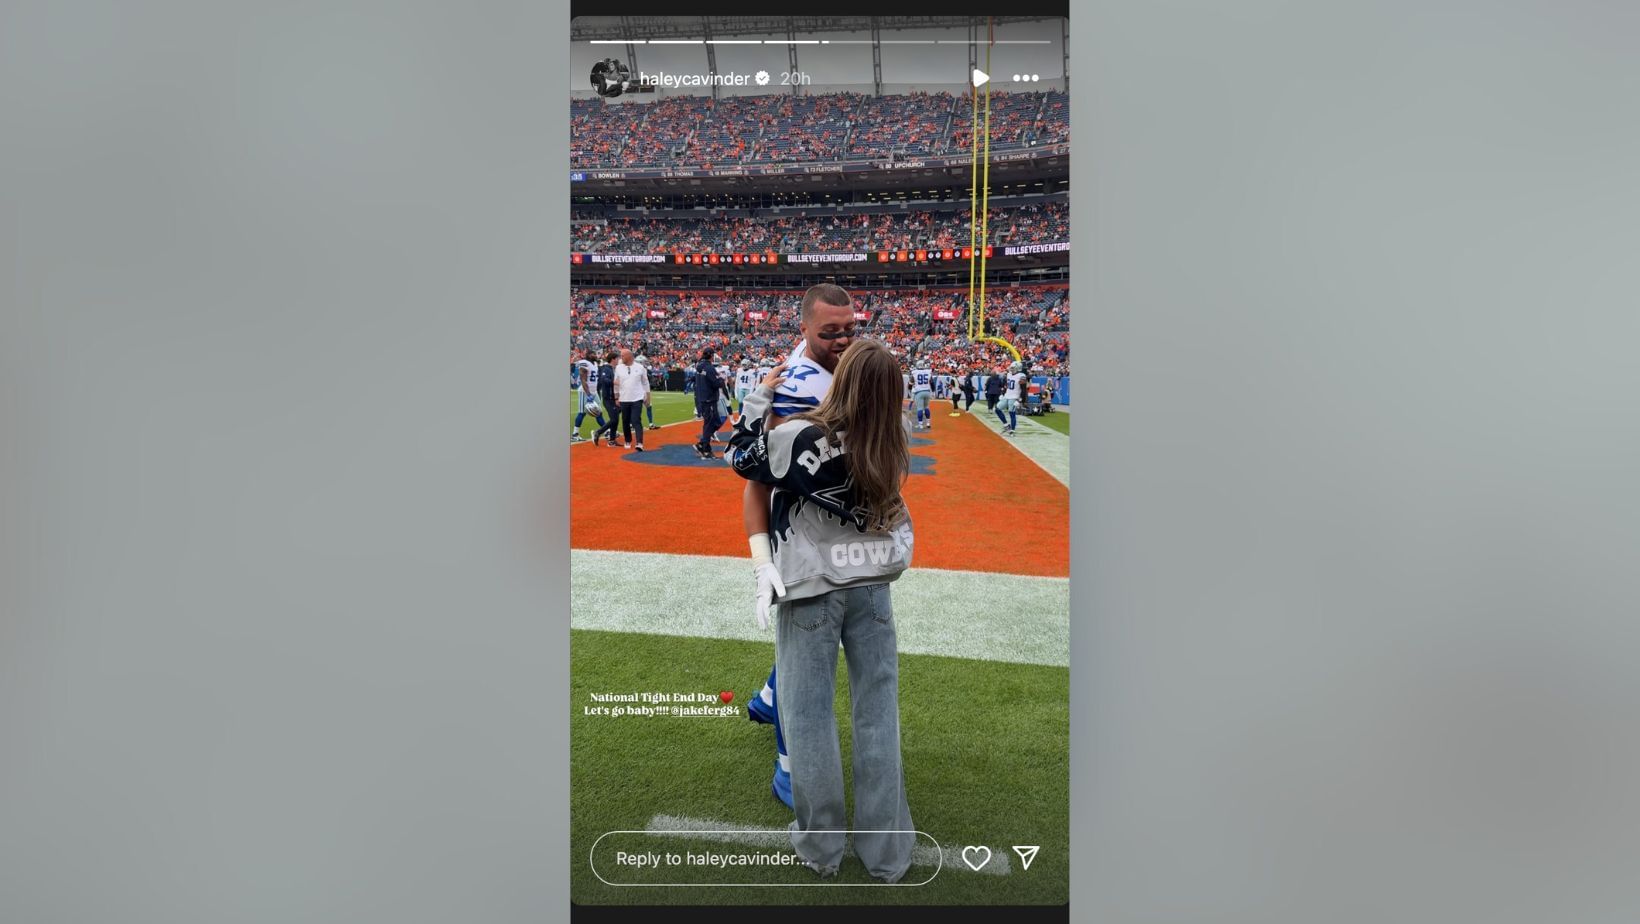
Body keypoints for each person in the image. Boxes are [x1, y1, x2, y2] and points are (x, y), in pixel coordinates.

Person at [726, 338, 916, 883]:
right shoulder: (897, 435)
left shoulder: (797, 435)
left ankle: (821, 846)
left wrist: (760, 396)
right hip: (873, 586)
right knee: (878, 715)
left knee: (807, 718)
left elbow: (740, 456)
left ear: (843, 379)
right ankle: (887, 852)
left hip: (811, 585)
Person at [742, 283, 855, 809]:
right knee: (806, 664)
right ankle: (789, 770)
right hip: (802, 539)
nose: (842, 339)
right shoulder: (797, 386)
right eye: (829, 331)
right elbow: (756, 474)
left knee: (811, 645)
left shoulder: (832, 364)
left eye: (849, 329)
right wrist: (761, 561)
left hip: (838, 532)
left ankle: (768, 698)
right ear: (804, 328)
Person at [612, 349, 649, 451]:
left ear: (629, 356)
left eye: (623, 356)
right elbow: (615, 383)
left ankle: (639, 443)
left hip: (637, 398)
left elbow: (645, 383)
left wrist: (648, 397)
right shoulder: (618, 368)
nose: (621, 358)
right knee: (625, 420)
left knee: (636, 420)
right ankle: (627, 440)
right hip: (624, 398)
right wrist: (616, 397)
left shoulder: (640, 367)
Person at [692, 348, 724, 459]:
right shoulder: (709, 368)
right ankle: (705, 448)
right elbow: (716, 383)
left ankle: (702, 443)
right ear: (711, 356)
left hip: (703, 398)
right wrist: (721, 380)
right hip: (709, 399)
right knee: (710, 424)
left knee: (714, 422)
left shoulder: (699, 366)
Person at [570, 350, 607, 443]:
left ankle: (606, 431)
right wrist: (588, 394)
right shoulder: (584, 363)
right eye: (593, 354)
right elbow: (583, 379)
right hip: (585, 392)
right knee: (582, 413)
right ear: (588, 355)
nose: (595, 355)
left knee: (599, 412)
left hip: (594, 392)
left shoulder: (594, 364)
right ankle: (575, 434)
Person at [592, 351, 620, 446]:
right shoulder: (606, 369)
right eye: (617, 359)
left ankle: (612, 440)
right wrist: (613, 382)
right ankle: (598, 432)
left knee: (615, 419)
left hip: (613, 398)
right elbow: (604, 379)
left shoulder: (612, 369)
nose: (618, 360)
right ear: (613, 359)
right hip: (608, 398)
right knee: (614, 419)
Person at [997, 360, 1026, 436]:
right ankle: (1006, 425)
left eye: (1013, 368)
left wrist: (1020, 400)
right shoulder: (1009, 374)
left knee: (1011, 413)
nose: (1011, 369)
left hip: (1014, 397)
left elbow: (1024, 389)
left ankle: (1012, 430)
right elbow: (1006, 385)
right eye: (1011, 368)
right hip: (1007, 395)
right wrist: (1003, 393)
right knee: (997, 409)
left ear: (1018, 368)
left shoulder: (1021, 376)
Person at [909, 360, 933, 431]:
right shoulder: (928, 372)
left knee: (920, 409)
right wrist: (933, 391)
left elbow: (910, 384)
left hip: (919, 392)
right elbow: (932, 383)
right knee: (926, 407)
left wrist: (910, 389)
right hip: (927, 391)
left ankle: (920, 424)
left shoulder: (914, 372)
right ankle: (928, 423)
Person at [638, 354, 659, 429]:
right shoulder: (641, 369)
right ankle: (636, 425)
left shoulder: (643, 369)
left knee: (648, 406)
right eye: (644, 362)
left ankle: (650, 423)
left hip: (642, 391)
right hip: (639, 392)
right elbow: (645, 383)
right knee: (637, 409)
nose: (645, 363)